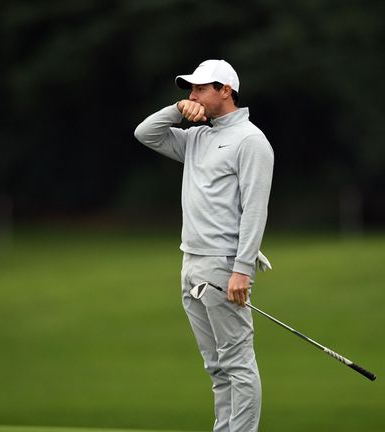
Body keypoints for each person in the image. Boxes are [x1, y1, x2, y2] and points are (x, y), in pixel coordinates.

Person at [134, 59, 274, 432]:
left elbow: (255, 210)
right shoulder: (196, 138)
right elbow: (145, 133)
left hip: (224, 265)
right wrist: (176, 110)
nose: (192, 96)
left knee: (238, 363)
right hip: (191, 262)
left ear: (225, 90)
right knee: (216, 366)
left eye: (199, 89)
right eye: (189, 90)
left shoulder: (251, 141)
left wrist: (242, 269)